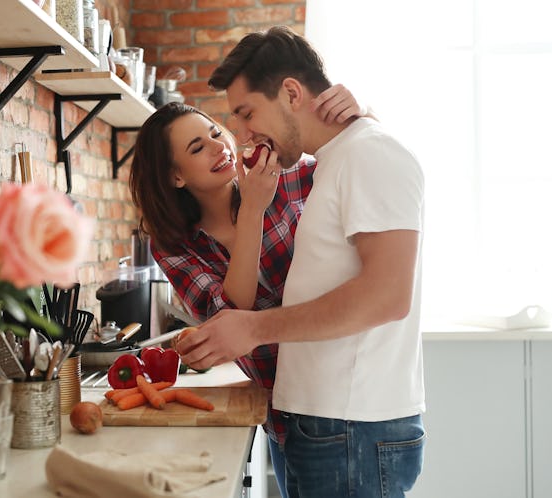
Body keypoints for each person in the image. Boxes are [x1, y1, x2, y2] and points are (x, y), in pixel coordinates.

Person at [175, 25, 426, 498]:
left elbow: (388, 297)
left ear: (291, 92)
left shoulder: (369, 153)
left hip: (350, 427)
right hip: (323, 423)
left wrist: (252, 328)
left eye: (247, 114)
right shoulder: (336, 159)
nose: (241, 135)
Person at [128, 87, 365, 498]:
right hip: (281, 408)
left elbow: (363, 163)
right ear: (175, 176)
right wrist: (253, 211)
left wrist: (359, 115)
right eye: (198, 147)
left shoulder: (287, 178)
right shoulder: (173, 246)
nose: (219, 148)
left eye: (216, 133)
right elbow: (233, 312)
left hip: (343, 394)